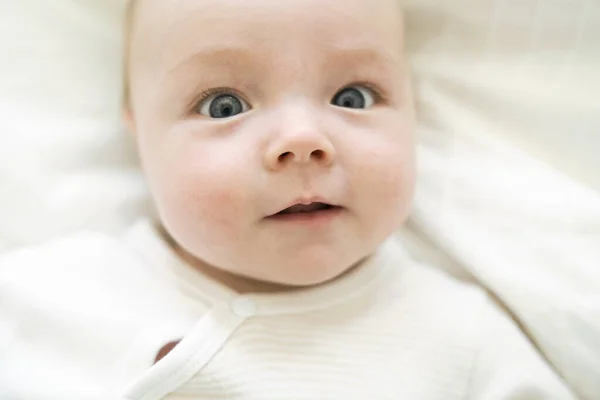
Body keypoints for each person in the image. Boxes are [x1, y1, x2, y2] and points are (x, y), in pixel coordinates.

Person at [0, 0, 576, 399]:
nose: (303, 140)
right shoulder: (46, 299)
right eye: (223, 105)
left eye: (353, 96)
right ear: (139, 137)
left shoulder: (462, 336)